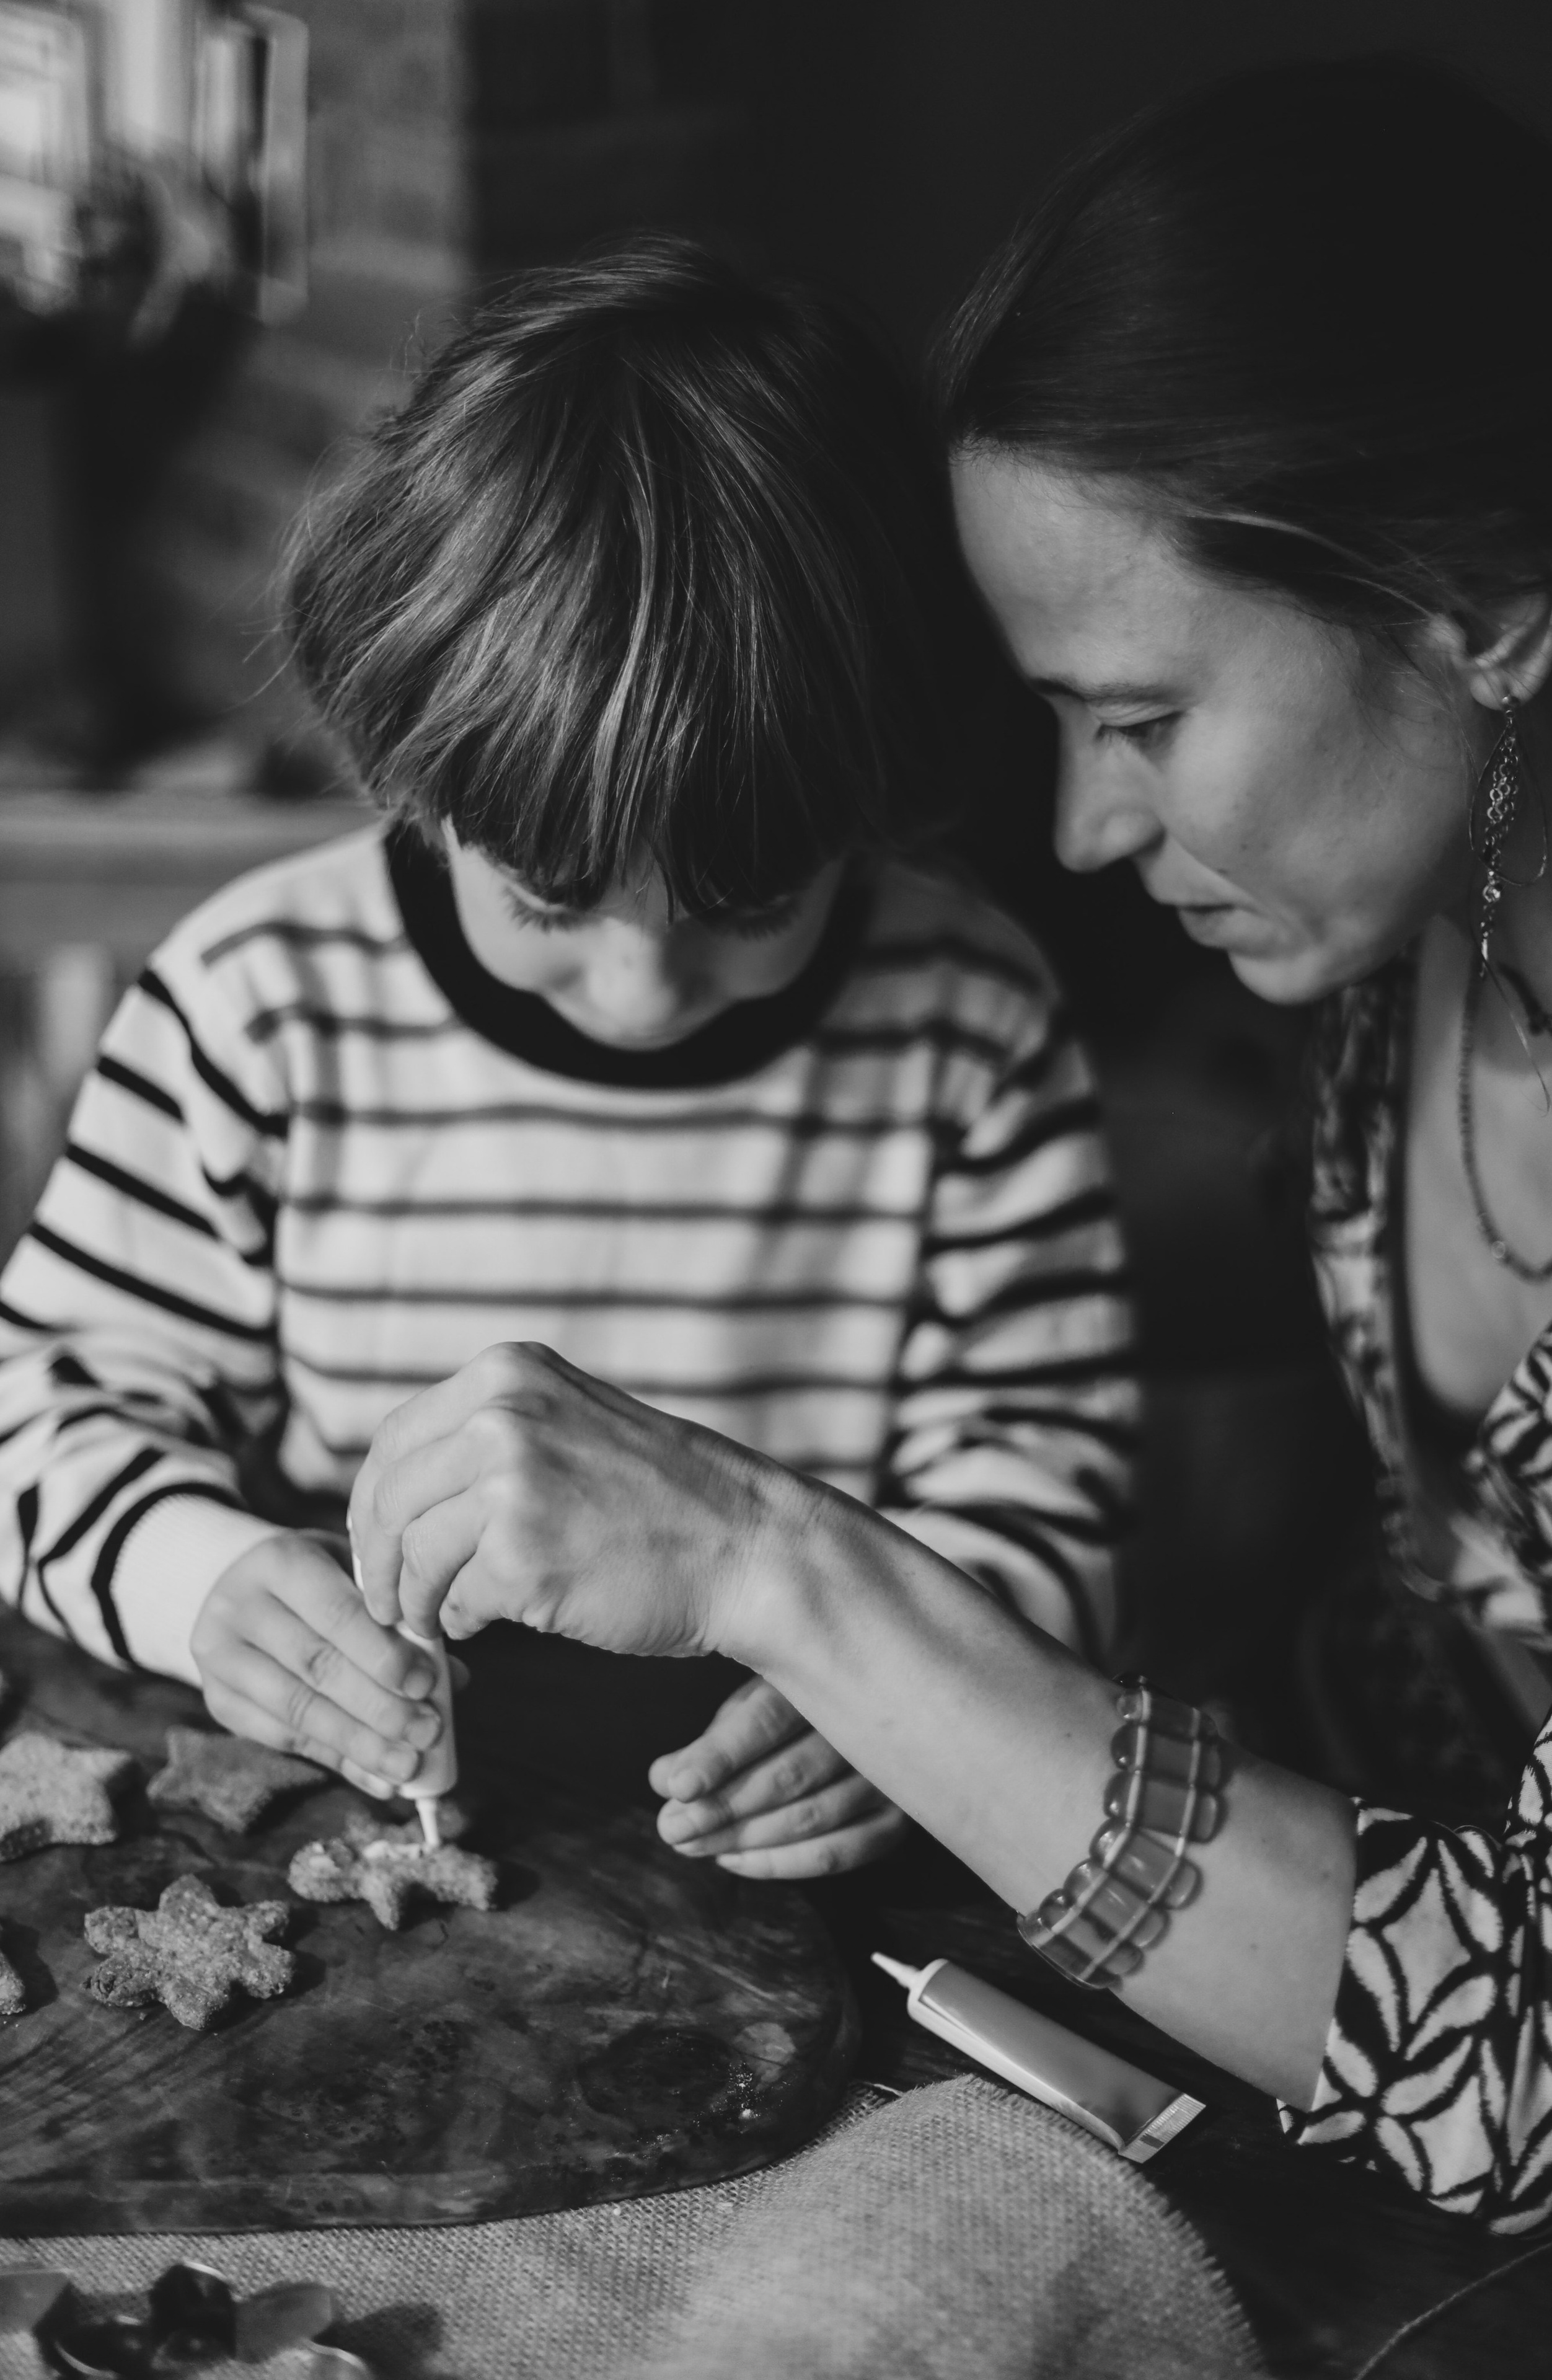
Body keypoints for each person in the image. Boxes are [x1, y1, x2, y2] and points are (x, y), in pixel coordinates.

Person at [343, 59, 1552, 2232]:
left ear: (1476, 607)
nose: (1093, 835)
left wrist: (775, 1559)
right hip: (1269, 1967)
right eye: (1057, 728)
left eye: (1143, 720)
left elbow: (1528, 2057)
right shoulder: (1403, 966)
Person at [0, 241, 1135, 1878]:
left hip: (783, 1853)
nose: (640, 988)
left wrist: (907, 1697)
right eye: (550, 900)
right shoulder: (260, 1002)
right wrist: (208, 1582)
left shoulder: (967, 1026)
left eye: (749, 903)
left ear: (876, 796)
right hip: (357, 1829)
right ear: (414, 774)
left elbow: (1046, 1488)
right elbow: (46, 1408)